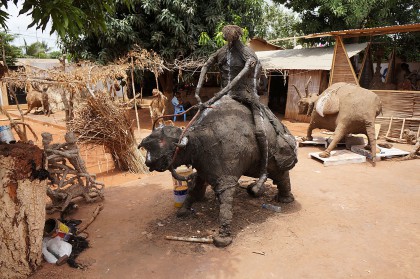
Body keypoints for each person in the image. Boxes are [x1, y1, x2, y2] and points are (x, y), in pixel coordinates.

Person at [195, 24, 268, 192]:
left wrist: (218, 94)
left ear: (237, 36)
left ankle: (263, 171)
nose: (229, 41)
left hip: (245, 95)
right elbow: (207, 64)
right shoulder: (222, 52)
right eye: (227, 38)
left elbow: (244, 73)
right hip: (223, 95)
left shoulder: (247, 52)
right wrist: (197, 92)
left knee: (260, 130)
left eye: (231, 38)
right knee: (201, 124)